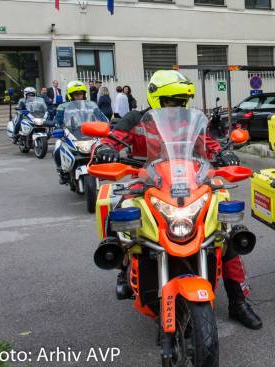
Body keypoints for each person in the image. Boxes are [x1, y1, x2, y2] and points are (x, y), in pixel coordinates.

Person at [94, 70, 262, 330]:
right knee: (120, 209)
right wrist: (105, 150)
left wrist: (225, 154)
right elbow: (112, 139)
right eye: (172, 100)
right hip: (148, 182)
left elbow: (210, 144)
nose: (178, 106)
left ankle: (238, 301)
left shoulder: (190, 122)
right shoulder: (134, 119)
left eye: (182, 101)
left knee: (224, 232)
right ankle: (122, 267)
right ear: (157, 98)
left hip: (191, 182)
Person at [53, 80, 88, 184]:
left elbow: (99, 117)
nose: (79, 96)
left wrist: (106, 125)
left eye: (80, 94)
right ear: (70, 95)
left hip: (87, 131)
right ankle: (62, 171)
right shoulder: (62, 106)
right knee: (58, 148)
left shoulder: (89, 105)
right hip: (69, 132)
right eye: (76, 94)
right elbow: (58, 121)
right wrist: (59, 128)